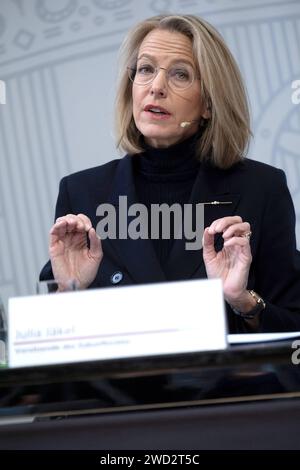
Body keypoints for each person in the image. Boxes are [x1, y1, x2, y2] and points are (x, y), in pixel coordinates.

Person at [40, 14, 300, 333]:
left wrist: (241, 300)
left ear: (208, 102)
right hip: (121, 384)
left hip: (224, 383)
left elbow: (292, 331)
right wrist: (69, 292)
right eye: (146, 69)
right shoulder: (81, 192)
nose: (156, 87)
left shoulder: (262, 188)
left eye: (180, 74)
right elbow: (52, 349)